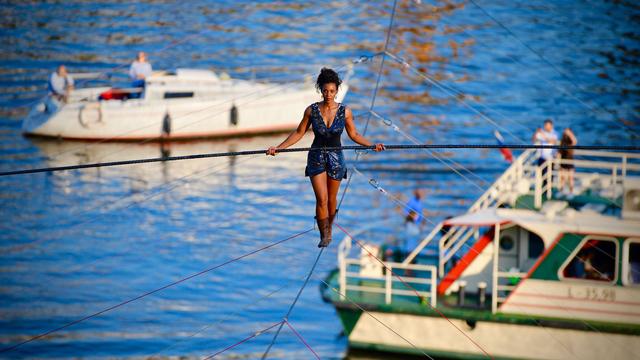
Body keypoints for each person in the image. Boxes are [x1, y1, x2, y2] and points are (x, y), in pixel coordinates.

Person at [267, 68, 385, 247]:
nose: (328, 94)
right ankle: (325, 234)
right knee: (321, 199)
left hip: (336, 157)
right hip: (316, 157)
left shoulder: (345, 111)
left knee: (331, 199)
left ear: (337, 90)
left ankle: (329, 226)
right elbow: (299, 132)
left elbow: (354, 134)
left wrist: (371, 145)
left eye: (332, 91)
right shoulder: (311, 110)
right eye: (325, 91)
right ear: (320, 90)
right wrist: (279, 148)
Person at [532, 119, 558, 191]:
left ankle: (549, 189)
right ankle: (541, 188)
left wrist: (543, 135)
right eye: (545, 125)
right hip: (542, 157)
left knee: (549, 174)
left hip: (551, 158)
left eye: (547, 125)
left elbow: (551, 141)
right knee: (540, 173)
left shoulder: (554, 133)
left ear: (551, 126)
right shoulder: (541, 132)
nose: (545, 127)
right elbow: (533, 140)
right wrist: (536, 132)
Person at [558, 128, 577, 194]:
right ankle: (561, 191)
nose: (565, 133)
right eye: (565, 132)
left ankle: (571, 192)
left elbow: (574, 141)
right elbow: (559, 152)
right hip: (563, 160)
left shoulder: (571, 140)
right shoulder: (562, 140)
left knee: (570, 178)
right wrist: (557, 162)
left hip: (570, 160)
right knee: (562, 178)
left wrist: (570, 134)